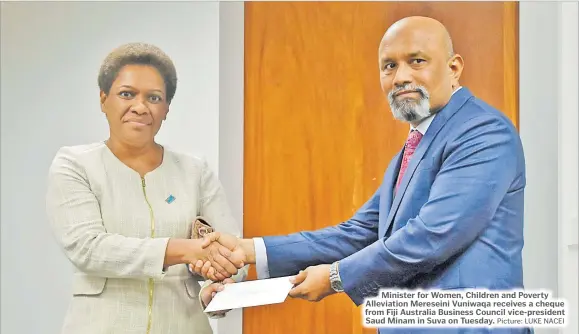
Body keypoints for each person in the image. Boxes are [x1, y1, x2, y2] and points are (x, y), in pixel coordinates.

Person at [196, 16, 530, 334]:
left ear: (454, 68)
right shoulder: (413, 149)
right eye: (389, 66)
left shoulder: (482, 131)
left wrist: (336, 277)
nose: (400, 77)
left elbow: (433, 235)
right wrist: (248, 250)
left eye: (417, 61)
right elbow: (358, 233)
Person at [45, 42, 247, 334]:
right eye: (127, 94)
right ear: (104, 100)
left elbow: (233, 251)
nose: (140, 107)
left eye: (154, 98)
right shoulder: (75, 164)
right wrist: (184, 250)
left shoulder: (195, 171)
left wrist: (217, 287)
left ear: (166, 109)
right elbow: (88, 248)